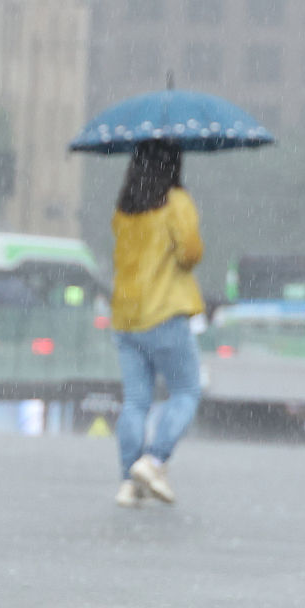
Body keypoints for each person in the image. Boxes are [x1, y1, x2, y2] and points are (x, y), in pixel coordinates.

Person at [109, 139, 204, 508]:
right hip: (163, 311)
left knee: (136, 402)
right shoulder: (175, 201)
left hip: (126, 316)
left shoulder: (125, 206)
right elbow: (191, 252)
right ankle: (154, 460)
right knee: (186, 391)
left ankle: (128, 481)